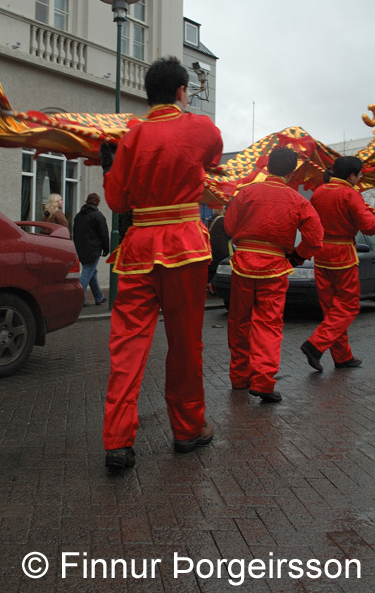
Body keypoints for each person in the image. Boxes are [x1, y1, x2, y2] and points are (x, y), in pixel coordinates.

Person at [100, 55, 223, 470]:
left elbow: (116, 202)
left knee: (127, 346)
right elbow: (213, 158)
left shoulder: (130, 137)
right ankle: (188, 429)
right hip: (184, 246)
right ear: (182, 91)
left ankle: (117, 440)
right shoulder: (199, 127)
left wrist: (110, 165)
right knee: (185, 344)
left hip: (138, 249)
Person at [224, 147, 323, 403]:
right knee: (269, 324)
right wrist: (298, 256)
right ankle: (264, 381)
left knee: (238, 321)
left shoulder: (246, 192)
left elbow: (229, 226)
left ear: (267, 166)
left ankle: (239, 377)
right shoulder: (298, 200)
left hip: (243, 263)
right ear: (292, 173)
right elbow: (315, 237)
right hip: (275, 266)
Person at [301, 156, 375, 372]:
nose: (360, 178)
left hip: (322, 254)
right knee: (349, 305)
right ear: (351, 175)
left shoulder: (320, 192)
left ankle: (342, 356)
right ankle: (315, 344)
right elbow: (369, 227)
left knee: (332, 308)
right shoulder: (350, 194)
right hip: (342, 255)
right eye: (359, 174)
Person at [73, 193, 109, 306]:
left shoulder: (79, 215)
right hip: (93, 248)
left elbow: (75, 232)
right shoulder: (98, 215)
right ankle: (77, 297)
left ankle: (99, 297)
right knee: (88, 271)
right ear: (97, 202)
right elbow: (103, 233)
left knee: (92, 271)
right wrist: (106, 248)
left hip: (80, 248)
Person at [207, 208, 232, 295]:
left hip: (213, 246)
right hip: (222, 247)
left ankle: (211, 284)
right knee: (223, 267)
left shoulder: (211, 219)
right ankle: (213, 284)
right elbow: (229, 233)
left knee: (214, 267)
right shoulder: (222, 220)